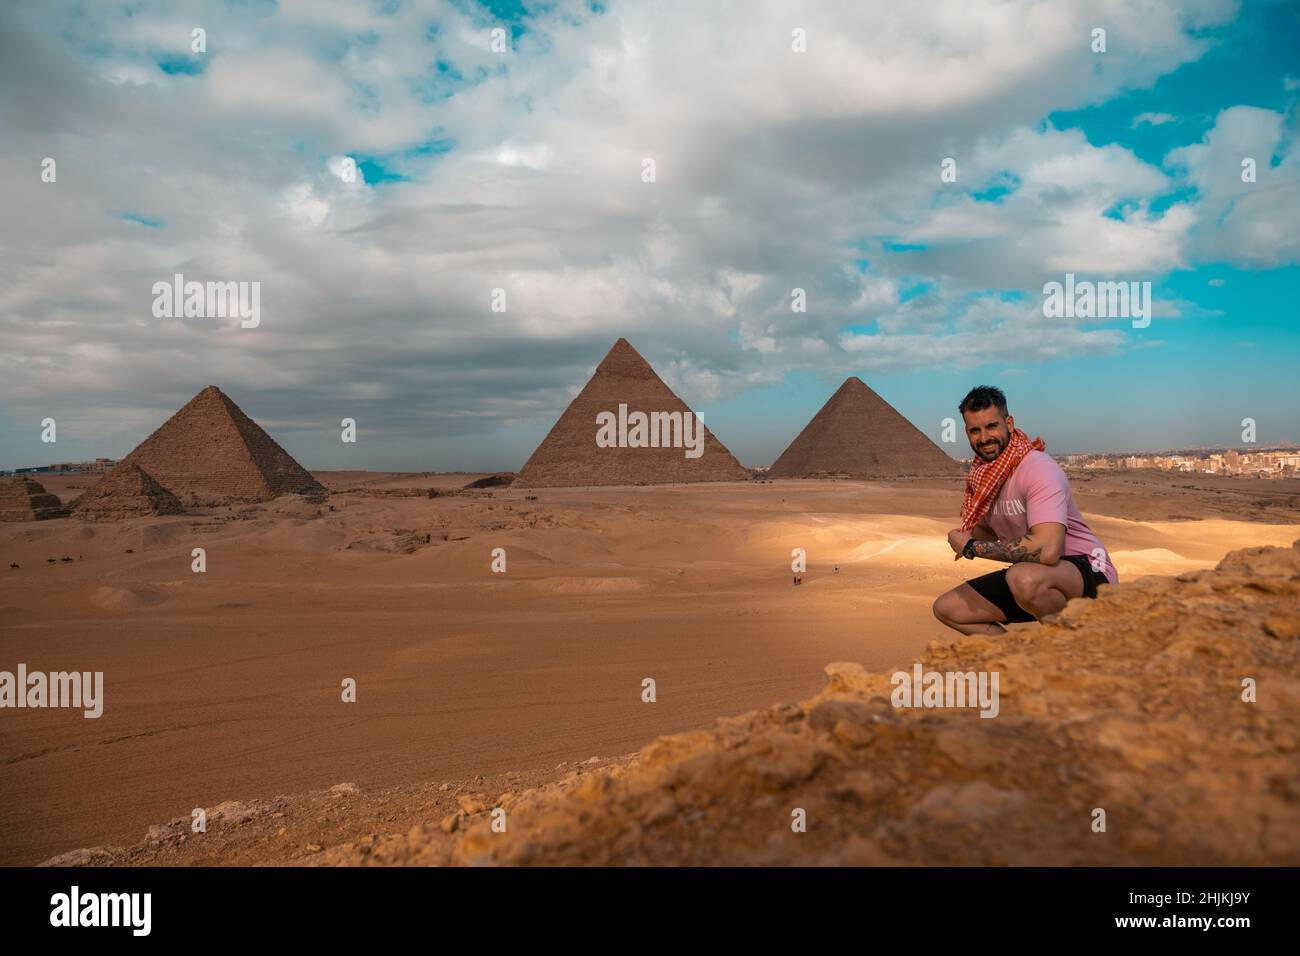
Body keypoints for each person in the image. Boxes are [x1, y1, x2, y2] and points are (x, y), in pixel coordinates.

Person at [933, 386, 1116, 634]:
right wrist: (968, 533)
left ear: (1009, 423)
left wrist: (970, 547)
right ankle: (1022, 661)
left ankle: (1070, 649)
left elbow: (1048, 550)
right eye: (975, 430)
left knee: (1023, 578)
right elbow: (986, 533)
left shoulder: (1038, 469)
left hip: (1088, 572)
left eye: (992, 426)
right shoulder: (984, 477)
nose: (984, 437)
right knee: (948, 608)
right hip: (1035, 577)